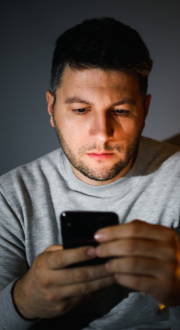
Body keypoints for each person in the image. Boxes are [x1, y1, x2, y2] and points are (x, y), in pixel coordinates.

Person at [0, 17, 180, 330]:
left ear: (145, 110)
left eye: (121, 111)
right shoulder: (10, 196)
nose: (102, 134)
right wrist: (24, 301)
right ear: (51, 108)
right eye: (81, 110)